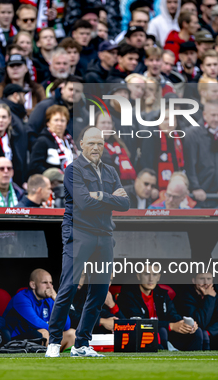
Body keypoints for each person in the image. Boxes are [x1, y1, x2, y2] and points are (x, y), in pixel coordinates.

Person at [46, 126, 129, 358]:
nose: (96, 147)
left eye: (100, 144)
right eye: (91, 143)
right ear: (81, 144)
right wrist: (111, 198)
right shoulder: (73, 170)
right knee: (68, 287)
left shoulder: (111, 171)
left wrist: (100, 197)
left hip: (104, 235)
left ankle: (82, 343)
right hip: (78, 233)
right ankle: (54, 342)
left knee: (100, 291)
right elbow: (83, 203)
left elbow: (126, 203)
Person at [118, 266, 203, 351]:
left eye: (154, 275)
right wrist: (170, 326)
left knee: (197, 331)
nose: (151, 279)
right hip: (142, 336)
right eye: (147, 274)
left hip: (166, 335)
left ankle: (193, 362)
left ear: (158, 277)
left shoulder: (162, 294)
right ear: (139, 276)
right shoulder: (128, 295)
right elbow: (138, 322)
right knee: (162, 331)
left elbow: (172, 315)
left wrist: (185, 324)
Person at [5, 269, 75, 348]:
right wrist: (56, 330)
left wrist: (57, 301)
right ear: (33, 285)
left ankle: (61, 360)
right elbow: (36, 323)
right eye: (45, 283)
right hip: (16, 341)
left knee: (72, 333)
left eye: (51, 283)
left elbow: (66, 326)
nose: (49, 286)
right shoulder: (21, 298)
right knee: (43, 333)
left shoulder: (49, 300)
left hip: (40, 337)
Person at [183, 101, 218, 208]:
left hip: (217, 196)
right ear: (205, 115)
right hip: (196, 195)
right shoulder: (193, 134)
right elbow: (189, 164)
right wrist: (195, 187)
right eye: (213, 115)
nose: (216, 119)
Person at [177, 273, 218, 351]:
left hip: (210, 335)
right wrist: (209, 298)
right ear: (194, 281)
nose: (206, 283)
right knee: (201, 334)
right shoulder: (186, 296)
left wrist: (209, 332)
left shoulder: (212, 295)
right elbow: (200, 323)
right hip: (191, 338)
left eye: (209, 279)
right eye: (202, 279)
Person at [28, 105, 75, 177]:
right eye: (56, 120)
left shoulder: (70, 141)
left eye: (62, 120)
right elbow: (35, 167)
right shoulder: (42, 141)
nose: (59, 124)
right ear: (48, 123)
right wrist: (54, 175)